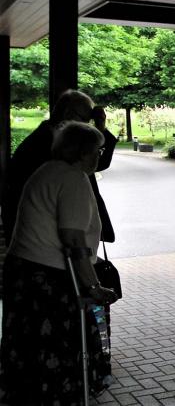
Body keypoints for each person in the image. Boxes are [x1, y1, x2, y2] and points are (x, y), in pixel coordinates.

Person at [0, 121, 119, 404]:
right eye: (97, 151)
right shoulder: (72, 178)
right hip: (49, 279)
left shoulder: (48, 170)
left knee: (29, 348)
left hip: (25, 271)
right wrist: (93, 286)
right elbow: (74, 241)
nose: (99, 157)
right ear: (82, 152)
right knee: (60, 350)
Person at [1, 90, 117, 245]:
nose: (87, 126)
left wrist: (100, 127)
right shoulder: (49, 145)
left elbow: (97, 164)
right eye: (85, 120)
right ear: (68, 113)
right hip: (43, 238)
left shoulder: (52, 138)